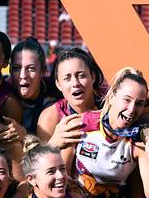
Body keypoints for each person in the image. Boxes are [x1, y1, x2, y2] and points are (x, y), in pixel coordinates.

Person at [68, 67, 149, 198]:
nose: (131, 109)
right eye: (126, 100)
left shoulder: (139, 142)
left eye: (139, 103)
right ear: (112, 96)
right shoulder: (80, 124)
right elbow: (62, 177)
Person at [36, 47, 106, 175]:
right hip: (68, 190)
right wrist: (53, 144)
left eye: (81, 75)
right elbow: (38, 169)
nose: (75, 83)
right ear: (58, 84)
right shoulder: (50, 117)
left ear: (93, 77)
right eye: (67, 78)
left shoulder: (110, 107)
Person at [9, 37, 55, 134]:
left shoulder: (56, 96)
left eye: (31, 68)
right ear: (10, 71)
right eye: (16, 68)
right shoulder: (2, 96)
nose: (23, 76)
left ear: (43, 71)